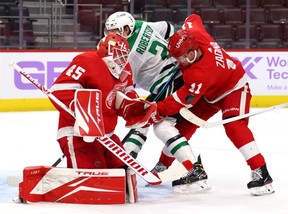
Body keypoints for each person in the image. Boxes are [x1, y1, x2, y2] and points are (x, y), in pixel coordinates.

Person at [155, 14, 274, 196]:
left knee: (234, 125)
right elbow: (193, 17)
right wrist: (184, 31)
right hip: (210, 93)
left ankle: (262, 173)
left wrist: (156, 110)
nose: (177, 62)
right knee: (184, 125)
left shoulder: (199, 74)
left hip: (234, 88)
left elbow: (179, 101)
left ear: (192, 53)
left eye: (180, 58)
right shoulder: (195, 34)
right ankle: (163, 165)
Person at [105, 11, 211, 193]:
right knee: (147, 122)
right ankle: (127, 162)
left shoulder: (126, 51)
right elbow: (168, 28)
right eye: (109, 31)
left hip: (167, 82)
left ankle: (194, 169)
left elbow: (125, 82)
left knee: (152, 123)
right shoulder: (141, 25)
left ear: (127, 28)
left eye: (116, 31)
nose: (112, 36)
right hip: (178, 73)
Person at [49, 32, 160, 202]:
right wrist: (83, 112)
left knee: (123, 176)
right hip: (77, 133)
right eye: (119, 55)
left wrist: (137, 106)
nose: (123, 60)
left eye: (125, 56)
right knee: (92, 184)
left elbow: (127, 92)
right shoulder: (86, 61)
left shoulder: (125, 68)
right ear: (106, 51)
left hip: (107, 135)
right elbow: (59, 91)